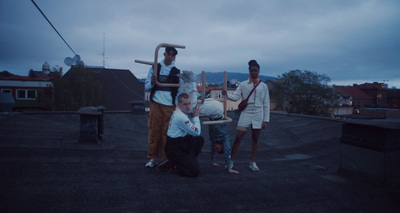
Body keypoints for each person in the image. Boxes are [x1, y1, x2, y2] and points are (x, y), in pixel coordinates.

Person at [222, 59, 270, 172]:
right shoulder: (243, 84)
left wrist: (265, 120)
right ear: (249, 71)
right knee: (238, 137)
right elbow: (235, 97)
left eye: (256, 70)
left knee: (255, 138)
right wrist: (226, 95)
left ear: (258, 71)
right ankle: (231, 161)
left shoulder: (264, 86)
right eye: (252, 70)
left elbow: (266, 104)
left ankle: (253, 162)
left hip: (259, 113)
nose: (254, 72)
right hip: (246, 112)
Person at [144, 47, 183, 168]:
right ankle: (152, 157)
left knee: (168, 132)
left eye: (173, 55)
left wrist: (178, 106)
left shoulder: (177, 71)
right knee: (154, 130)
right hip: (156, 103)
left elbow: (179, 90)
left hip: (169, 105)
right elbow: (147, 87)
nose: (170, 57)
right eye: (169, 54)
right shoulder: (155, 67)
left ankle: (166, 157)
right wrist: (152, 81)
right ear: (164, 54)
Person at [162, 93, 204, 177]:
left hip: (182, 141)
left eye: (189, 103)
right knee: (195, 172)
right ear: (179, 104)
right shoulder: (180, 116)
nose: (188, 106)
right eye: (185, 104)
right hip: (173, 148)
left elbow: (192, 129)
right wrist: (196, 117)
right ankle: (175, 165)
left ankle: (187, 160)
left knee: (199, 140)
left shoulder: (180, 112)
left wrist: (192, 117)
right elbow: (197, 132)